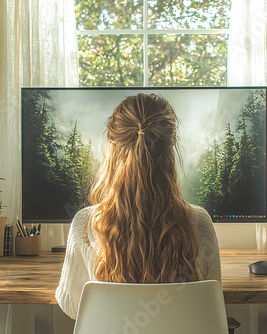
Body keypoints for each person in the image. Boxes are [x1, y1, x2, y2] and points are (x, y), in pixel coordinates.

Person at [55, 93, 221, 319]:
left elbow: (72, 306)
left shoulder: (85, 224)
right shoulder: (199, 222)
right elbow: (210, 302)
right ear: (170, 150)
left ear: (113, 147)